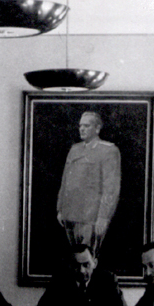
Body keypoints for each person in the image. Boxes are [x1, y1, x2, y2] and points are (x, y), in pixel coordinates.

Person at [56, 110, 121, 257]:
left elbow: (111, 188)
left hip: (90, 217)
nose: (82, 129)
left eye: (86, 126)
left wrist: (104, 217)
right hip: (69, 214)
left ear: (97, 128)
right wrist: (60, 208)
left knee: (88, 259)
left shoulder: (108, 151)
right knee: (74, 259)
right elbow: (65, 180)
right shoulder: (75, 149)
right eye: (80, 126)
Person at [32, 244, 128, 306]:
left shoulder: (108, 279)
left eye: (86, 265)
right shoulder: (60, 280)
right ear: (69, 265)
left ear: (95, 263)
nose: (81, 271)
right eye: (76, 265)